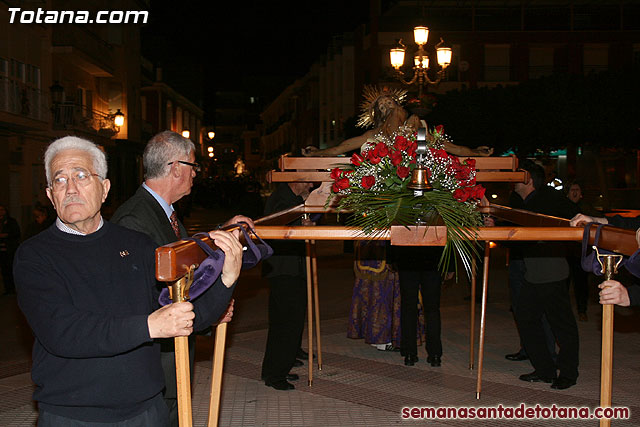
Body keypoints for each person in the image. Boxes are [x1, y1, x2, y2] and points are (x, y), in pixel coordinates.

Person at [14, 136, 242, 426]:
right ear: (50, 195)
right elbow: (62, 330)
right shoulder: (34, 255)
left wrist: (227, 278)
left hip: (147, 411)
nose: (71, 188)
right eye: (60, 180)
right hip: (74, 415)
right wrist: (150, 325)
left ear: (105, 188)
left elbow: (182, 313)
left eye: (82, 176)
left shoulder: (137, 244)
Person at [111, 130, 248, 425]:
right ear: (175, 168)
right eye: (193, 166)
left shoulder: (162, 213)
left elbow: (188, 259)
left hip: (171, 358)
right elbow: (149, 300)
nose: (195, 174)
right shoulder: (134, 220)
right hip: (153, 365)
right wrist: (210, 308)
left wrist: (223, 230)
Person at [508, 160, 580, 390]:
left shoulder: (549, 197)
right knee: (526, 317)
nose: (511, 180)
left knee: (562, 325)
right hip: (533, 272)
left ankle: (568, 373)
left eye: (515, 175)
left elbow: (575, 218)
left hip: (552, 270)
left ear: (527, 179)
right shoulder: (520, 201)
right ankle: (545, 369)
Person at [302, 86, 494, 158]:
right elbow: (339, 149)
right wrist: (317, 152)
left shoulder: (418, 125)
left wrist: (476, 152)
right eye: (383, 106)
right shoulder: (373, 135)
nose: (389, 106)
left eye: (390, 102)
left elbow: (453, 148)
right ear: (379, 115)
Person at [261, 181, 314, 390]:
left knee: (285, 322)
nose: (310, 185)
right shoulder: (281, 198)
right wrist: (302, 227)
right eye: (308, 181)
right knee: (286, 323)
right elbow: (277, 228)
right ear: (297, 180)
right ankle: (276, 375)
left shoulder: (290, 198)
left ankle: (278, 368)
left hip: (289, 268)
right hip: (284, 269)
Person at [395, 246, 452, 367]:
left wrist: (392, 259)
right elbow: (450, 232)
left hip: (407, 256)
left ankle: (410, 354)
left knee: (408, 307)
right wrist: (450, 264)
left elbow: (394, 229)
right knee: (432, 309)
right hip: (433, 257)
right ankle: (435, 354)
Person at [347, 240, 405, 351]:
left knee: (382, 294)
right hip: (378, 252)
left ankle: (384, 338)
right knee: (379, 295)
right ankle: (382, 340)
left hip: (378, 249)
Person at [565, 181, 598, 321]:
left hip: (581, 253)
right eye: (572, 190)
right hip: (565, 252)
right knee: (563, 283)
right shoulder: (563, 207)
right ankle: (564, 311)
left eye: (577, 190)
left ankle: (582, 310)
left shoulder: (587, 209)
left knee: (581, 284)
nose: (575, 193)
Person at [0, 204, 20, 295]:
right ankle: (7, 289)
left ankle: (13, 288)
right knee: (4, 271)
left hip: (9, 249)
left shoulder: (11, 222)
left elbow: (16, 233)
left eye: (2, 210)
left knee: (10, 269)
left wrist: (7, 235)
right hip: (2, 250)